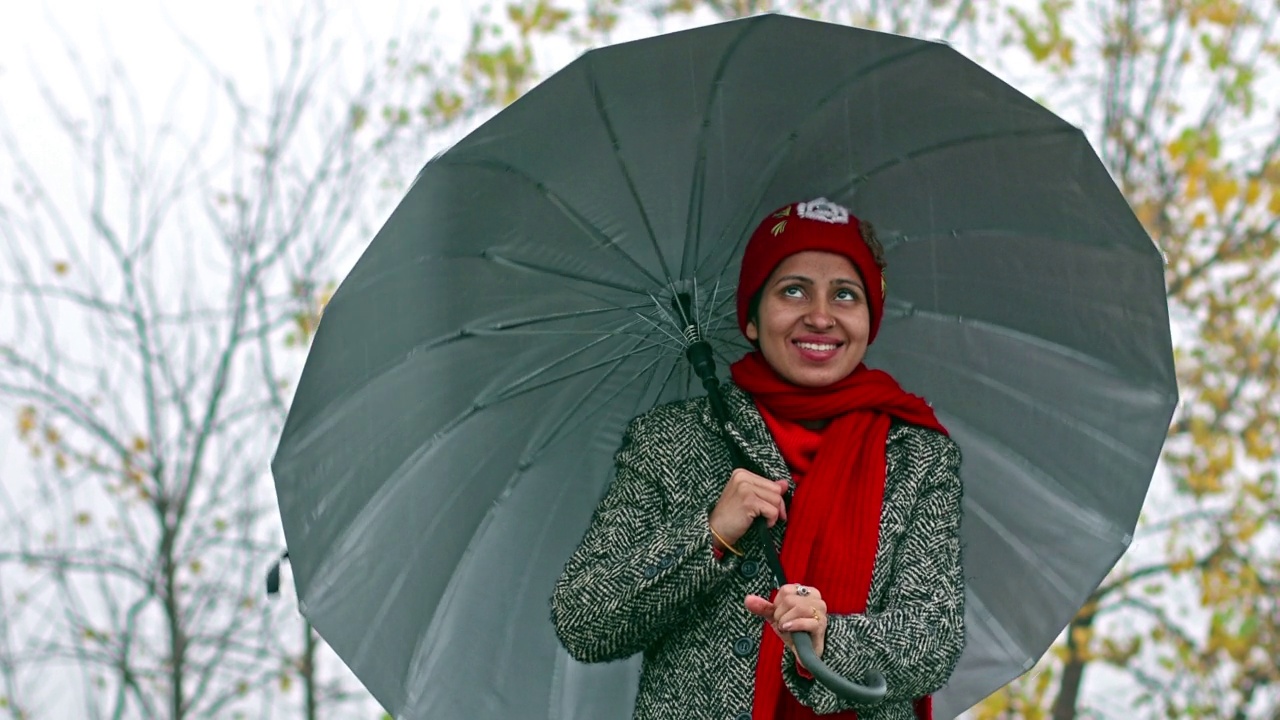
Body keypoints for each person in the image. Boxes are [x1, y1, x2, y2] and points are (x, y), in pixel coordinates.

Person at [550, 198, 965, 720]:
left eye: (845, 294)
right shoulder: (671, 440)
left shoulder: (916, 455)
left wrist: (828, 634)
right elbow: (583, 619)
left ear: (868, 319)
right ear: (751, 318)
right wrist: (712, 533)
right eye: (793, 290)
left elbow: (933, 637)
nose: (820, 316)